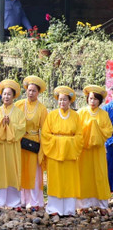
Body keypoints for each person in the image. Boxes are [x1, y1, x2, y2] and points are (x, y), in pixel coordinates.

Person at [41, 86, 83, 216]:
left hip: (69, 154)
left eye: (65, 100)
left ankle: (69, 209)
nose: (62, 102)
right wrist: (59, 142)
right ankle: (54, 208)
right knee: (56, 180)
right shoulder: (52, 115)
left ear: (70, 101)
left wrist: (67, 143)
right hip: (55, 153)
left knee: (69, 181)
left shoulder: (76, 116)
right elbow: (45, 134)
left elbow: (80, 136)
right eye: (60, 100)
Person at [0, 79, 25, 209]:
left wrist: (10, 125)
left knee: (12, 172)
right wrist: (1, 125)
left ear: (13, 96)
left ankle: (14, 202)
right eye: (4, 94)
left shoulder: (19, 113)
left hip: (12, 146)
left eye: (9, 94)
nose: (6, 97)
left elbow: (21, 129)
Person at [77, 84, 113, 211]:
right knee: (84, 175)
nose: (93, 101)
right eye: (91, 98)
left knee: (100, 175)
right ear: (87, 99)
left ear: (100, 101)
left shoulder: (103, 114)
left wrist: (96, 131)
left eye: (96, 99)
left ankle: (102, 205)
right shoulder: (81, 112)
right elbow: (76, 130)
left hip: (98, 150)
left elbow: (108, 130)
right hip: (84, 150)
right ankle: (83, 205)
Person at [16, 75, 49, 209]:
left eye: (34, 91)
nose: (31, 93)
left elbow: (45, 129)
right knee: (21, 170)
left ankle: (34, 201)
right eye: (29, 90)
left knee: (34, 172)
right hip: (19, 141)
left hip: (34, 142)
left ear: (38, 92)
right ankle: (21, 200)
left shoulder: (42, 109)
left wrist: (43, 146)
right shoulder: (18, 104)